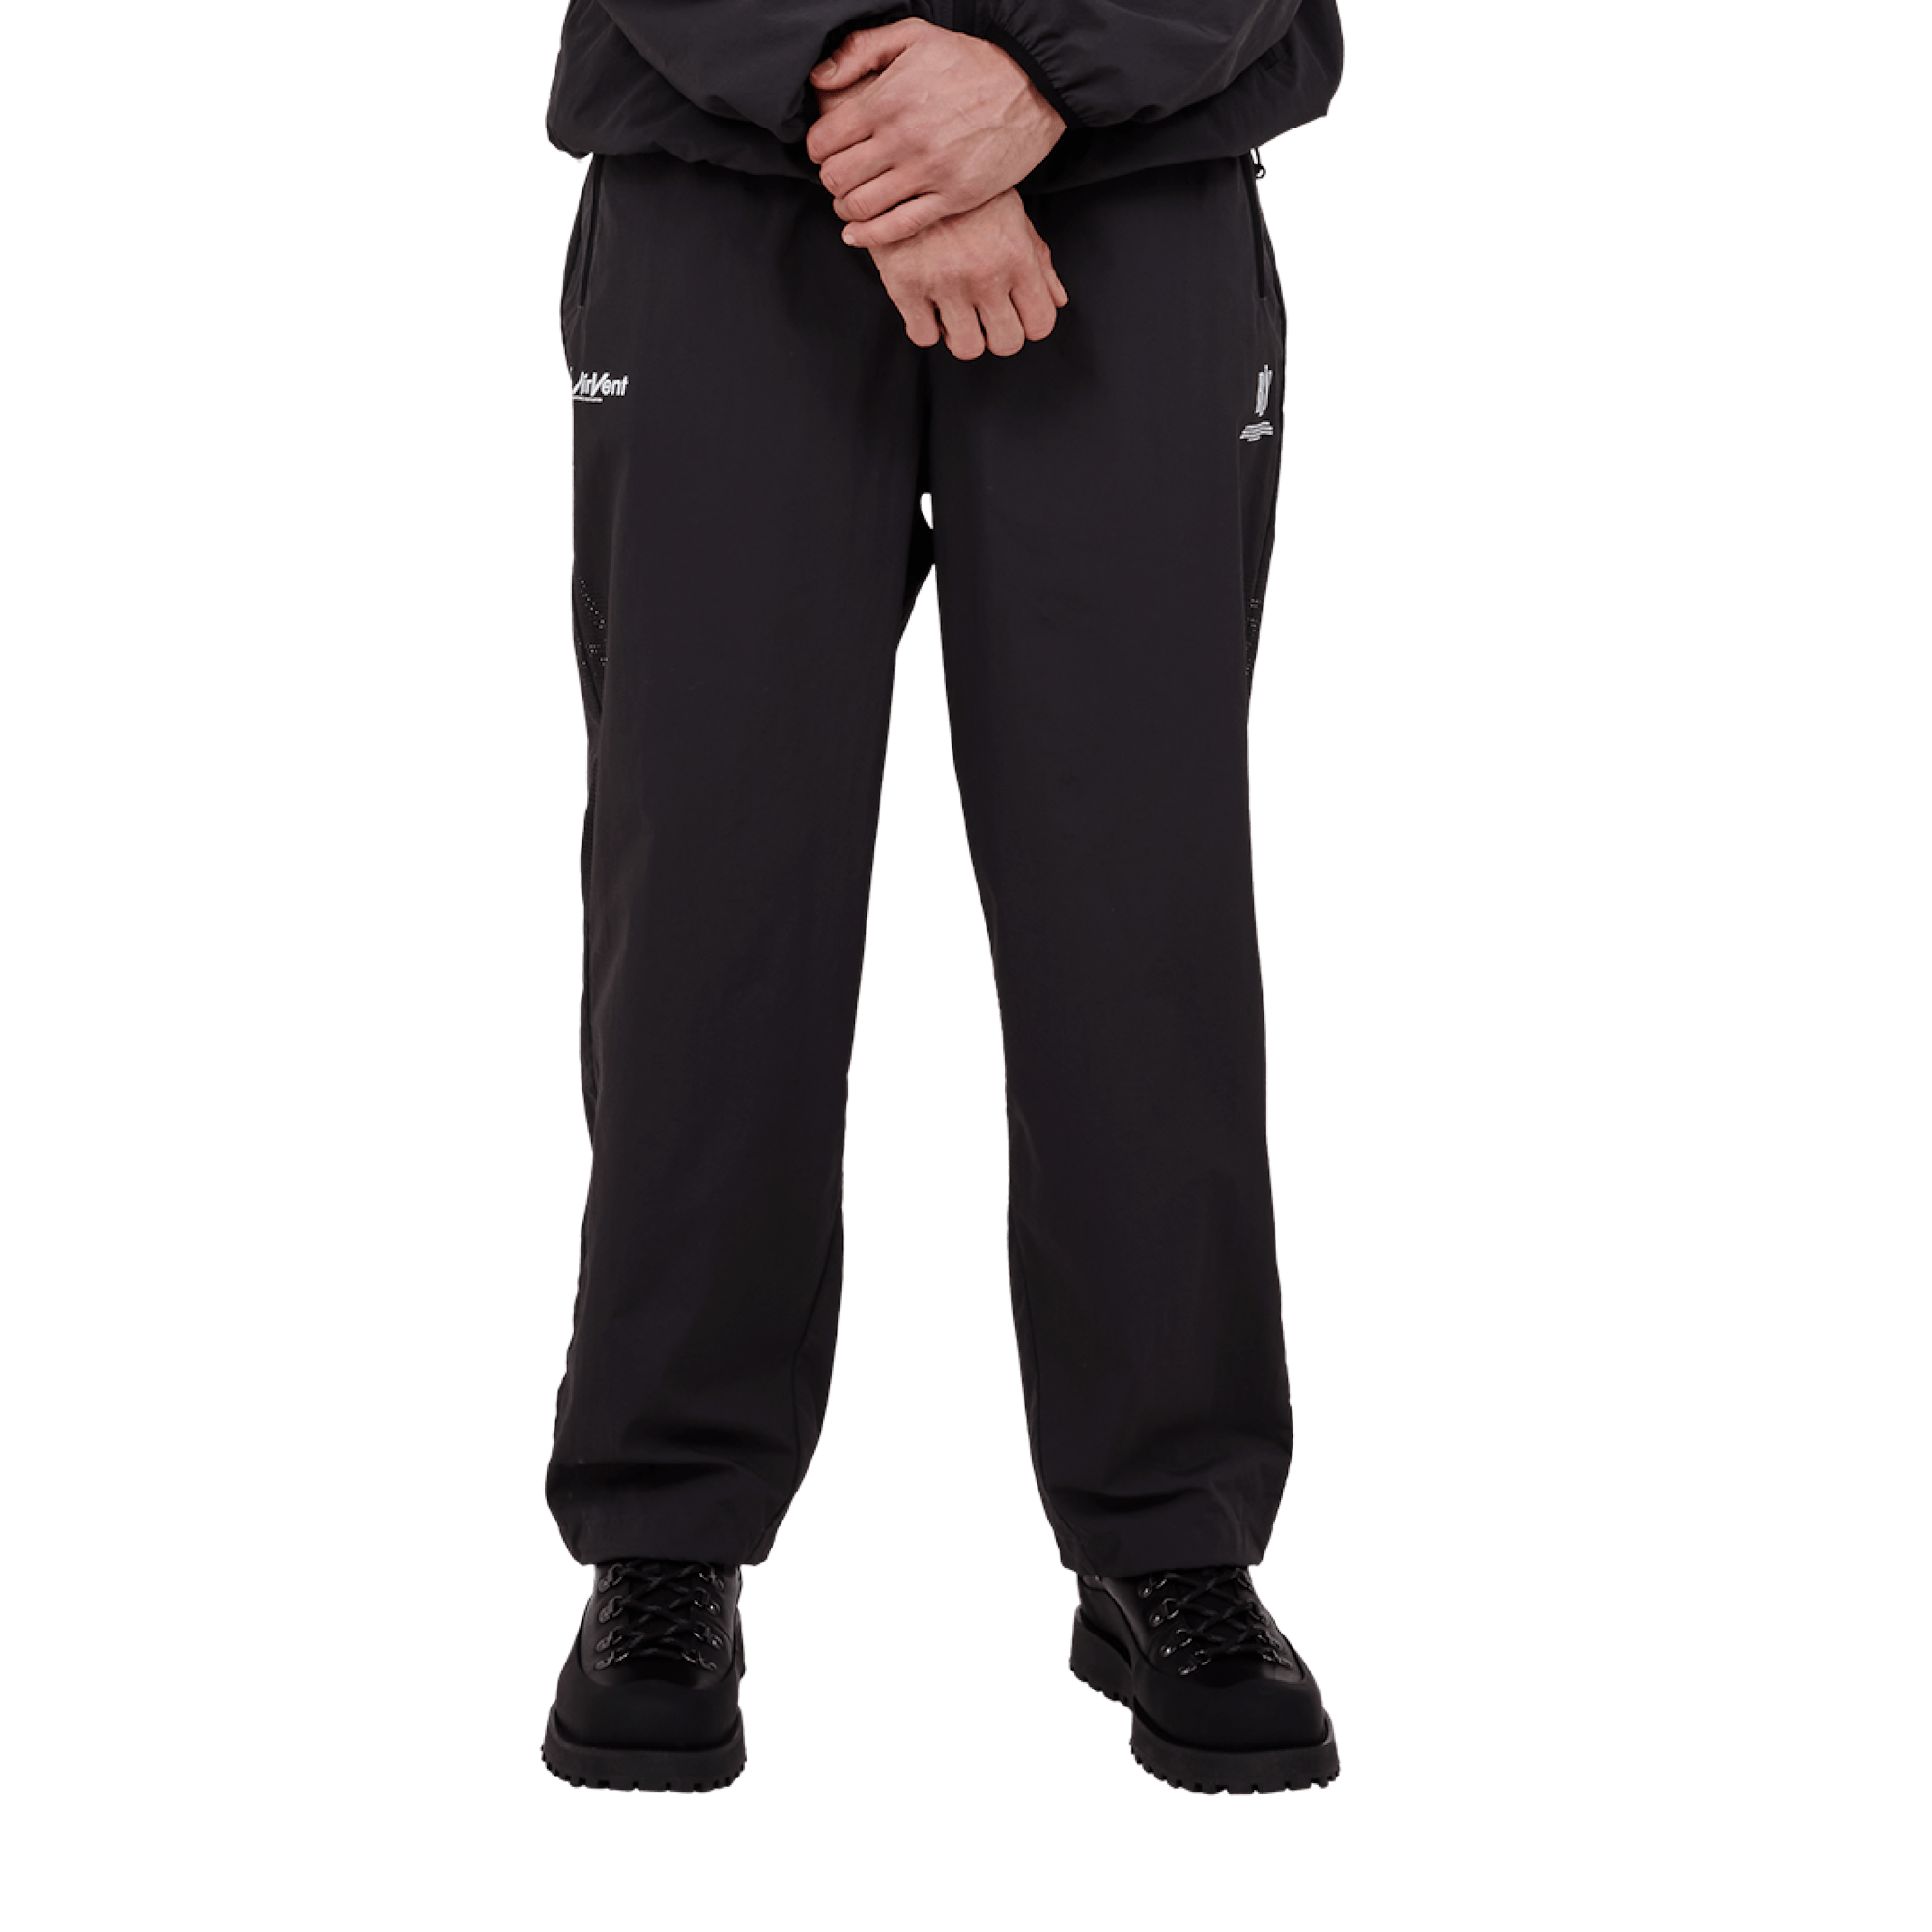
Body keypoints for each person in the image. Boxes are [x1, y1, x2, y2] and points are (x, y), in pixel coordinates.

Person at [535, 0, 1346, 1797]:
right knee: (711, 886)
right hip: (719, 180)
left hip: (1134, 191)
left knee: (1136, 894)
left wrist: (1049, 77)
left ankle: (1169, 1529)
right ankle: (665, 1527)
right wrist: (882, 110)